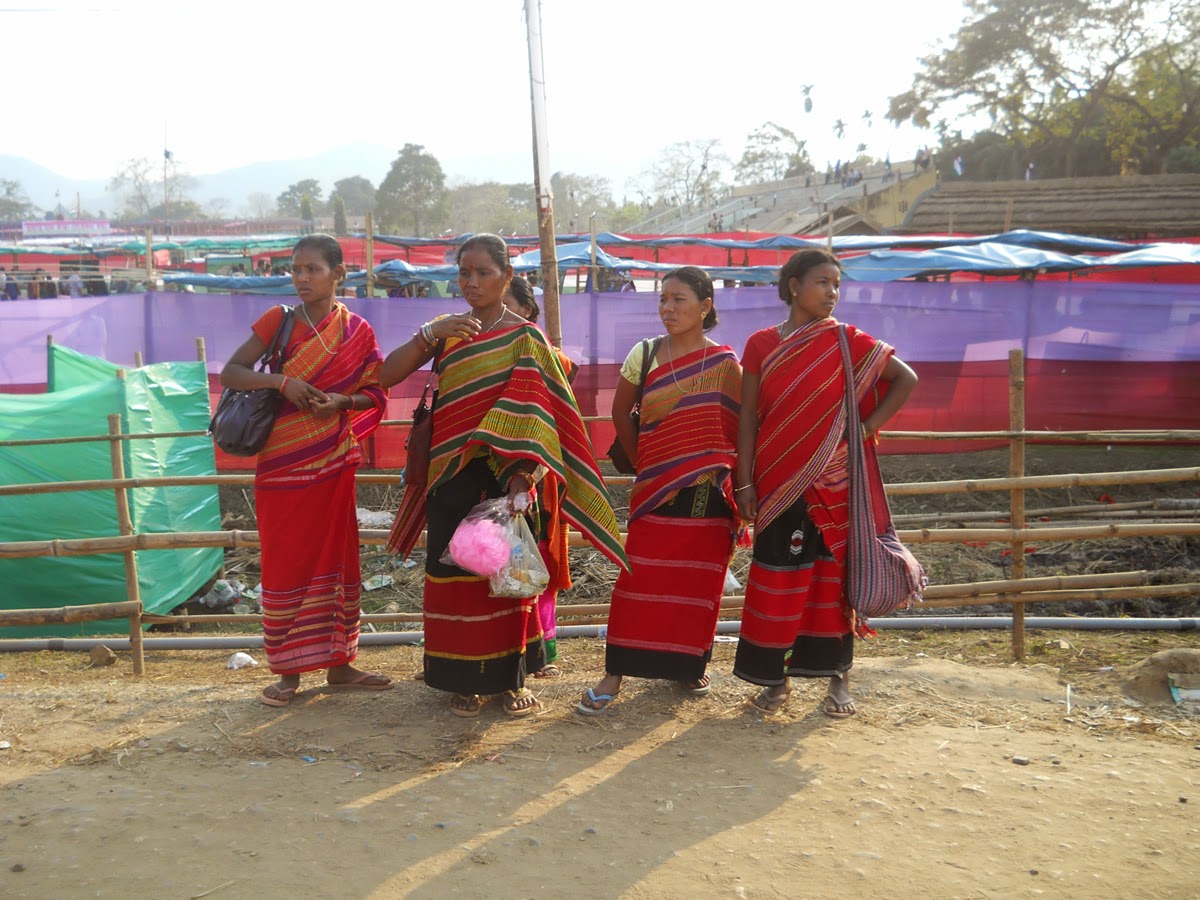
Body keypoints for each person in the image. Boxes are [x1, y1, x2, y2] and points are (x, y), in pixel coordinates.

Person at [381, 233, 627, 718]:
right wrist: (429, 333)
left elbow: (543, 416)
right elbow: (387, 375)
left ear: (508, 277)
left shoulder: (525, 337)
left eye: (484, 273)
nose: (472, 283)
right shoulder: (449, 332)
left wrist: (524, 479)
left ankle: (509, 682)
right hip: (450, 475)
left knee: (506, 579)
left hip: (506, 480)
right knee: (453, 577)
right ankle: (461, 681)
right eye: (464, 273)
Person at [733, 249, 918, 718]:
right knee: (777, 577)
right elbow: (750, 418)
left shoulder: (844, 340)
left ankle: (838, 680)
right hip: (776, 482)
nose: (832, 293)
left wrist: (865, 427)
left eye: (837, 284)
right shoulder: (759, 344)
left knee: (830, 582)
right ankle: (774, 684)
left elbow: (905, 378)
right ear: (794, 286)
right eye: (822, 282)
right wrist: (745, 482)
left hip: (832, 481)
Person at [220, 234, 392, 707]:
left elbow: (376, 395)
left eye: (312, 269)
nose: (300, 278)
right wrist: (281, 381)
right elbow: (231, 373)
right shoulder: (278, 321)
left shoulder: (358, 332)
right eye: (295, 269)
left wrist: (343, 402)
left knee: (337, 558)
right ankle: (289, 672)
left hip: (333, 462)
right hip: (279, 465)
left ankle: (340, 664)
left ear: (339, 273)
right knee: (286, 561)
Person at [579, 266, 744, 715]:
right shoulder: (646, 353)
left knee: (697, 584)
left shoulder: (728, 365)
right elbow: (620, 416)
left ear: (706, 307)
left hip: (709, 493)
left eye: (679, 300)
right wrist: (651, 466)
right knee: (640, 581)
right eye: (663, 300)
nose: (668, 309)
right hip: (654, 489)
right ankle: (614, 673)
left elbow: (736, 431)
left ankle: (690, 665)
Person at [501, 273, 578, 678]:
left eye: (505, 304)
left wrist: (529, 472)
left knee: (537, 561)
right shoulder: (478, 351)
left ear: (527, 311)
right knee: (502, 561)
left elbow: (559, 424)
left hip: (539, 476)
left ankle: (541, 649)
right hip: (489, 472)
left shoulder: (550, 358)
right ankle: (504, 647)